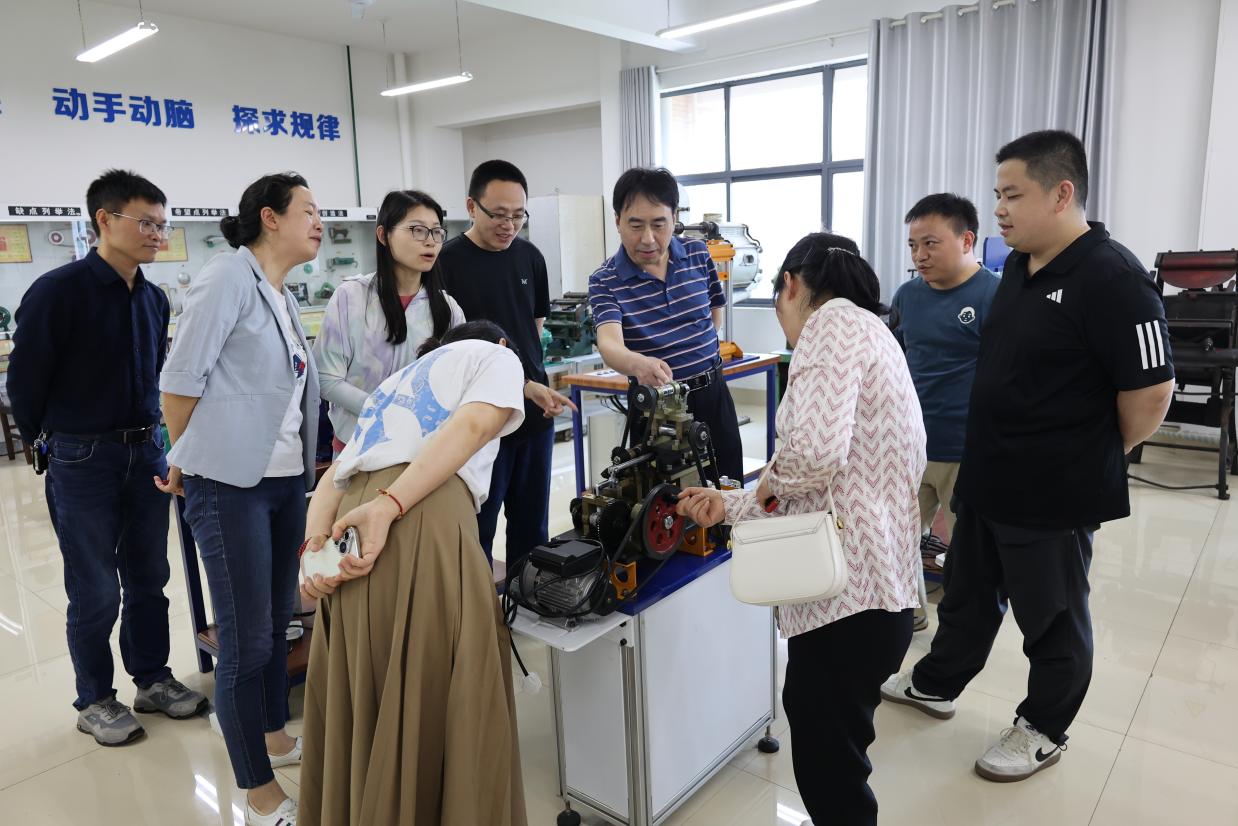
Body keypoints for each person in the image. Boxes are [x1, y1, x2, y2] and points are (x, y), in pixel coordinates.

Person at [882, 130, 1175, 783]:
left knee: (1052, 616)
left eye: (1012, 195)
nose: (999, 209)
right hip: (989, 471)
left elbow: (1153, 391)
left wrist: (1093, 451)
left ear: (1061, 193)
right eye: (998, 195)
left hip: (1054, 488)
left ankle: (1044, 727)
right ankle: (937, 683)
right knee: (967, 592)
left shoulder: (1114, 278)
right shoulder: (1018, 266)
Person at [677, 233, 925, 826]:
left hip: (846, 600)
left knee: (827, 763)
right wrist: (731, 505)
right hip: (883, 589)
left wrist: (760, 490)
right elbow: (839, 473)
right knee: (840, 751)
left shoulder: (829, 326)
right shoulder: (873, 330)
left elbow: (812, 456)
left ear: (790, 285)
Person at [296, 320, 528, 826]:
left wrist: (314, 552)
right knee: (448, 693)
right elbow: (475, 426)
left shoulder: (393, 385)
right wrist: (390, 505)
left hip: (351, 526)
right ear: (500, 342)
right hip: (418, 514)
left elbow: (336, 478)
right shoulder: (496, 357)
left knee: (365, 700)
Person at [5, 169, 206, 746]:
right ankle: (94, 698)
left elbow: (158, 376)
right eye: (146, 223)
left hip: (146, 449)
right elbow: (25, 382)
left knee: (150, 576)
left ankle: (152, 678)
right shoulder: (57, 291)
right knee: (94, 587)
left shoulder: (154, 298)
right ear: (104, 220)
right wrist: (51, 441)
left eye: (163, 226)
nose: (158, 236)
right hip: (82, 455)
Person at [158, 172, 322, 825]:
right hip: (230, 484)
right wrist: (186, 457)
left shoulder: (278, 291)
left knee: (278, 624)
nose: (319, 222)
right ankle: (257, 793)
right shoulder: (227, 276)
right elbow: (179, 381)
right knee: (246, 640)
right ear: (269, 218)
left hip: (282, 479)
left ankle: (275, 735)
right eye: (308, 210)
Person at [438, 160, 575, 570]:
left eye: (518, 215)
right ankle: (479, 607)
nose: (509, 225)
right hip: (479, 421)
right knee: (477, 527)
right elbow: (446, 347)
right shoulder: (446, 263)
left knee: (532, 528)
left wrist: (532, 381)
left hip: (533, 413)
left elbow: (534, 329)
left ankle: (526, 598)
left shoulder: (530, 257)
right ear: (471, 206)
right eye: (498, 214)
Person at [588, 167, 743, 482]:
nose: (648, 239)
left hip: (713, 395)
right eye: (635, 225)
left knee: (728, 490)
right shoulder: (605, 280)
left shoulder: (698, 255)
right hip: (657, 409)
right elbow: (609, 343)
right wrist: (638, 364)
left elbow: (714, 316)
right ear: (617, 221)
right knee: (664, 500)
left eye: (659, 225)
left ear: (675, 218)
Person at [892, 193, 1000, 632]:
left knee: (970, 553)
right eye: (913, 245)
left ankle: (962, 635)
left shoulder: (995, 294)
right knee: (896, 539)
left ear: (966, 240)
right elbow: (895, 365)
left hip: (967, 449)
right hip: (912, 445)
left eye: (930, 243)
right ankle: (908, 614)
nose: (919, 255)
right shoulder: (907, 296)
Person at [313, 189, 465, 454]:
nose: (430, 241)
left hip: (422, 452)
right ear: (383, 235)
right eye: (418, 230)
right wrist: (386, 409)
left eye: (436, 232)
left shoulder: (448, 309)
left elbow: (457, 383)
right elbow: (327, 378)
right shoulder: (351, 297)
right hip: (357, 448)